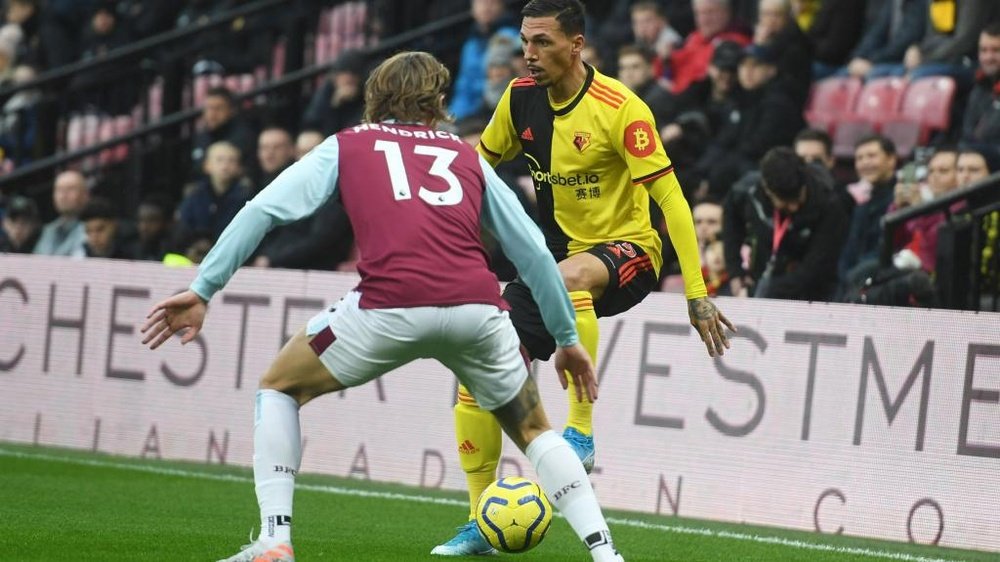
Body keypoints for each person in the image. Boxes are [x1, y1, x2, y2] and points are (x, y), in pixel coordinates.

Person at [142, 51, 627, 562]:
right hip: (478, 311)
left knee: (279, 388)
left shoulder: (348, 145)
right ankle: (605, 554)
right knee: (533, 431)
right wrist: (567, 339)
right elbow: (532, 249)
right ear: (436, 100)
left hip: (387, 306)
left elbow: (262, 209)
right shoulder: (466, 157)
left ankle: (275, 540)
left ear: (376, 97)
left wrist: (203, 288)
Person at [433, 0, 733, 556]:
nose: (529, 54)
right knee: (476, 372)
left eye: (542, 42)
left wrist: (697, 296)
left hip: (631, 255)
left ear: (576, 44)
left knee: (569, 275)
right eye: (525, 41)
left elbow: (672, 199)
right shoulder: (518, 97)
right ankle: (481, 518)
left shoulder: (620, 108)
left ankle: (580, 434)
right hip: (553, 259)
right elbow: (479, 167)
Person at [723, 147, 847, 300]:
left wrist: (763, 291)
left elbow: (816, 268)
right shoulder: (747, 191)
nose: (794, 207)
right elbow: (731, 224)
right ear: (767, 190)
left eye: (798, 198)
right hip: (760, 282)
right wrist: (736, 272)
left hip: (811, 296)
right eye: (786, 201)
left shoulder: (829, 205)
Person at [33, 170, 89, 257]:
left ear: (85, 195)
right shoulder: (48, 230)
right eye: (59, 190)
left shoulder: (95, 229)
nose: (63, 195)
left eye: (70, 189)